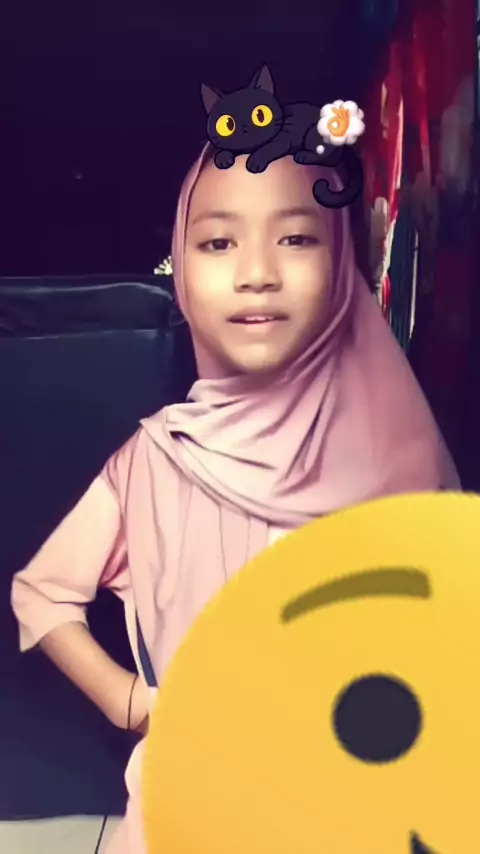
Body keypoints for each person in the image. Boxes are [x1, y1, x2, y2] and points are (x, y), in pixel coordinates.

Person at [11, 145, 459, 853]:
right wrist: (130, 702)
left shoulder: (399, 461)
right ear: (181, 269)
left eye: (297, 239)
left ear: (342, 262)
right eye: (219, 243)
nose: (256, 274)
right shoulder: (157, 462)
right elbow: (41, 593)